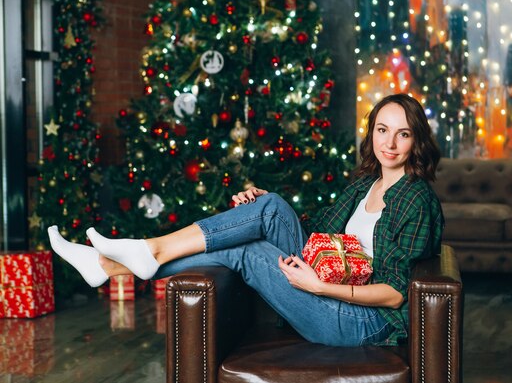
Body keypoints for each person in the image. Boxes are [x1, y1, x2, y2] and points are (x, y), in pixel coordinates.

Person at [48, 93, 444, 347]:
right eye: (382, 130)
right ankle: (122, 260)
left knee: (248, 252)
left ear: (416, 140)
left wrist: (319, 287)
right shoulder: (365, 185)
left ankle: (118, 263)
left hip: (362, 319)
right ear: (372, 133)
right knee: (268, 205)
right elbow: (316, 232)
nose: (389, 143)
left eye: (403, 134)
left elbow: (394, 293)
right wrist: (257, 208)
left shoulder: (415, 199)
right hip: (327, 277)